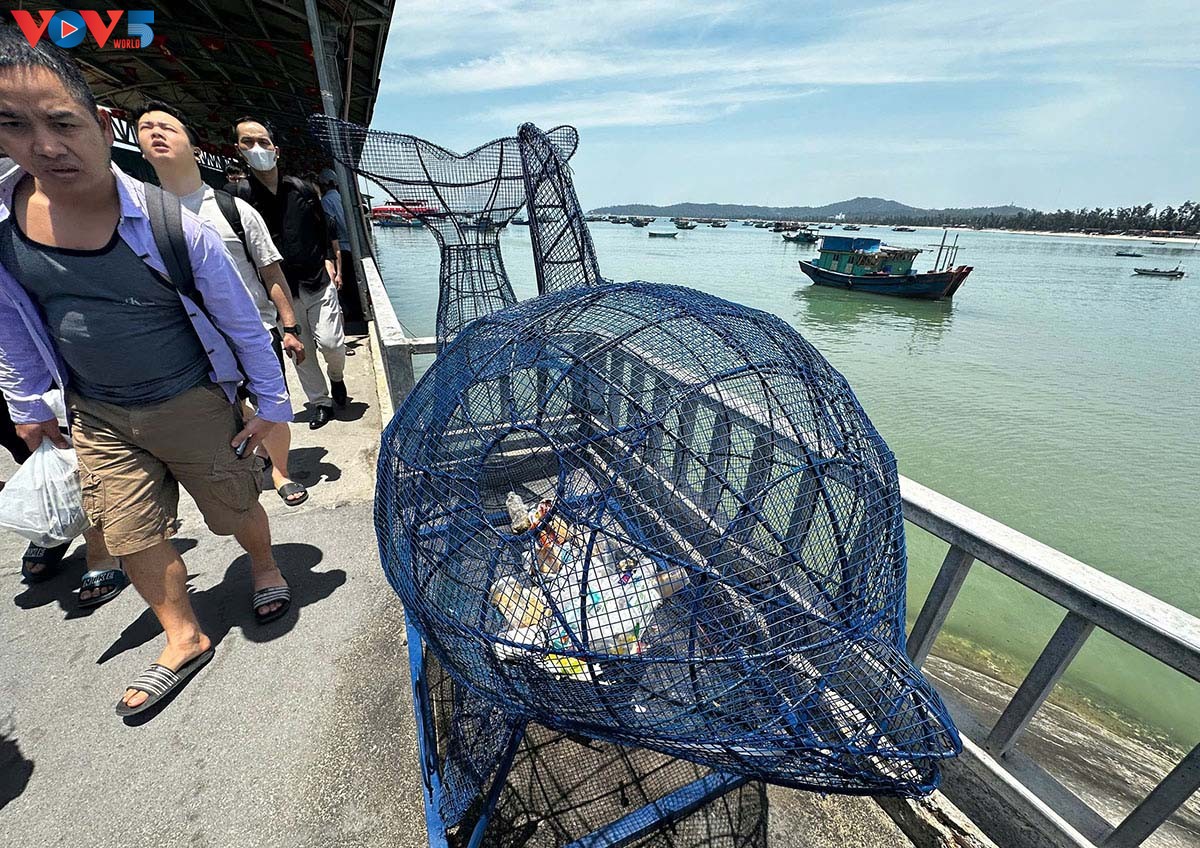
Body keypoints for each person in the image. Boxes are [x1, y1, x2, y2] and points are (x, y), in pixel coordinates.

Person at [0, 31, 293, 715]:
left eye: (63, 123)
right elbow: (10, 317)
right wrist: (25, 402)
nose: (44, 145)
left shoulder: (175, 227)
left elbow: (241, 322)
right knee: (130, 531)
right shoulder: (3, 225)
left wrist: (271, 404)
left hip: (190, 398)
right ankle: (183, 634)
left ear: (104, 126)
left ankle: (264, 565)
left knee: (235, 507)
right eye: (13, 125)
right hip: (94, 410)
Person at [135, 100, 310, 507]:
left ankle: (281, 470)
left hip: (252, 330)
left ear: (195, 148)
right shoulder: (138, 214)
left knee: (271, 402)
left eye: (167, 127)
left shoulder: (234, 210)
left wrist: (289, 327)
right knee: (220, 410)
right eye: (145, 128)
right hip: (188, 341)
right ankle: (245, 461)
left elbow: (271, 273)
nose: (156, 133)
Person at [231, 117, 347, 429]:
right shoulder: (239, 198)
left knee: (332, 343)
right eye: (248, 143)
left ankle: (337, 377)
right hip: (278, 291)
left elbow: (323, 229)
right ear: (239, 150)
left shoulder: (303, 190)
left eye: (263, 142)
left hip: (317, 280)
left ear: (276, 149)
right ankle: (320, 401)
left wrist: (329, 260)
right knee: (301, 350)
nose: (257, 149)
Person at [318, 167, 363, 322]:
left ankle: (350, 316)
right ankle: (358, 314)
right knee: (353, 284)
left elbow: (330, 227)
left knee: (343, 286)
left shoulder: (326, 201)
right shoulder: (344, 199)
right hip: (352, 247)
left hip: (340, 249)